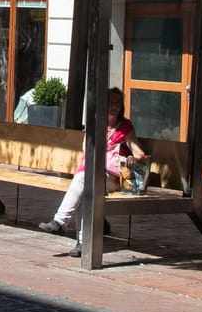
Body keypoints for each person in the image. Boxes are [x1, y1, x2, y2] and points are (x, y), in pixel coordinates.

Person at [38, 87, 148, 237]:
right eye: (110, 103)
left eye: (117, 103)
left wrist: (133, 158)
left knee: (85, 181)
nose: (114, 107)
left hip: (113, 178)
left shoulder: (125, 126)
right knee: (87, 187)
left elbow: (139, 153)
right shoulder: (95, 124)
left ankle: (61, 223)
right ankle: (79, 240)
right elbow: (86, 149)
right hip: (92, 172)